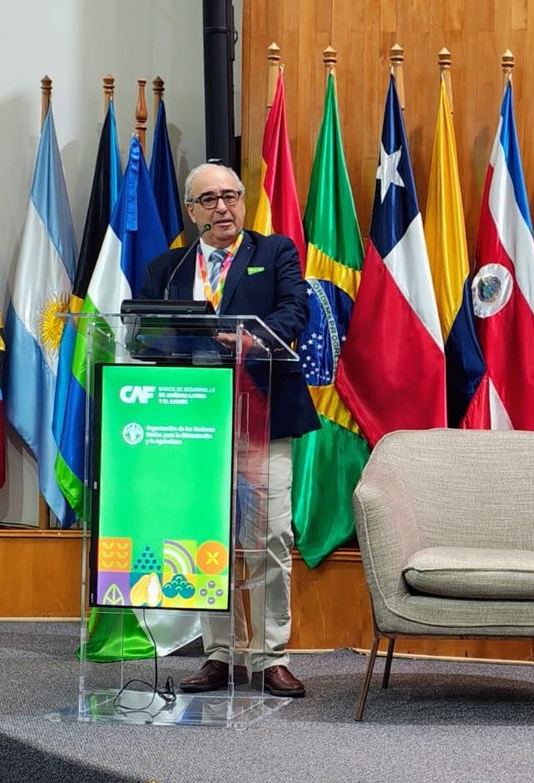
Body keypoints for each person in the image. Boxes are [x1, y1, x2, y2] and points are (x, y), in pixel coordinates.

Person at [140, 162, 319, 698]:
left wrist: (255, 341)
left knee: (268, 539)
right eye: (210, 199)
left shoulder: (274, 253)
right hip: (196, 424)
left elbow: (295, 311)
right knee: (204, 540)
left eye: (232, 196)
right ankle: (219, 653)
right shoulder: (166, 269)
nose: (223, 207)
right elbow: (147, 334)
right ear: (193, 211)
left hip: (263, 417)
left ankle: (270, 657)